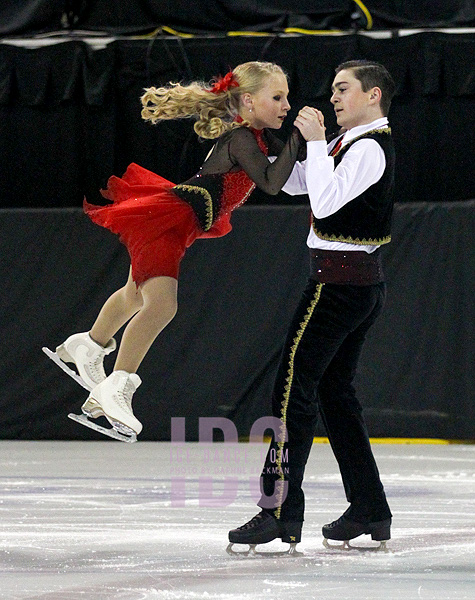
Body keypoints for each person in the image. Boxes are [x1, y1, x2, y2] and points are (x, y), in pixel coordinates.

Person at [46, 61, 306, 442]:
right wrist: (301, 137)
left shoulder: (257, 139)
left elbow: (283, 173)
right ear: (249, 100)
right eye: (278, 97)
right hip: (169, 219)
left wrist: (310, 147)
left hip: (177, 222)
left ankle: (87, 344)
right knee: (161, 304)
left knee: (135, 294)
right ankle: (115, 387)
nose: (287, 105)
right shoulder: (241, 139)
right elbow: (270, 182)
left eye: (286, 97)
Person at [228, 60, 396, 551]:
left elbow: (325, 205)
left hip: (336, 291)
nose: (335, 96)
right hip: (355, 288)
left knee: (289, 394)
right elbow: (300, 183)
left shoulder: (367, 148)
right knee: (334, 396)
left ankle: (279, 511)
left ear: (373, 96)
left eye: (344, 89)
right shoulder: (351, 145)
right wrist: (264, 150)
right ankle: (370, 507)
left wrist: (318, 142)